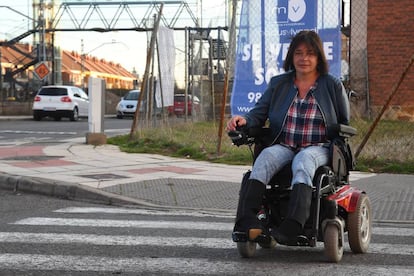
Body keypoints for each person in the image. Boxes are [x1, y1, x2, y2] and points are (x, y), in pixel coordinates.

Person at [226, 30, 350, 245]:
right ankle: (247, 221)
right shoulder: (279, 83)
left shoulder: (331, 84)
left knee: (303, 161)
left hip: (318, 146)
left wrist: (338, 139)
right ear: (291, 56)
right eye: (299, 53)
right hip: (284, 144)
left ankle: (295, 223)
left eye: (310, 53)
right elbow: (258, 113)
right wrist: (244, 120)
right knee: (264, 159)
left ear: (318, 57)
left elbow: (344, 122)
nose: (304, 58)